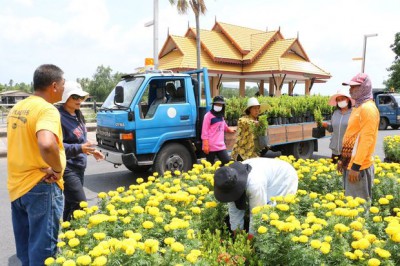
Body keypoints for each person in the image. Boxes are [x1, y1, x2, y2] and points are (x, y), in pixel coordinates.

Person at [7, 64, 66, 265]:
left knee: (26, 252)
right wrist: (57, 169)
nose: (64, 88)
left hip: (18, 187)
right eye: (63, 84)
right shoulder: (46, 109)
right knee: (43, 254)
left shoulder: (17, 107)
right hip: (41, 185)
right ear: (54, 86)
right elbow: (46, 143)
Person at [58, 81, 104, 221]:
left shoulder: (78, 114)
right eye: (75, 97)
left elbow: (80, 141)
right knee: (81, 205)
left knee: (71, 205)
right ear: (65, 98)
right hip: (67, 168)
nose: (79, 100)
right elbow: (56, 146)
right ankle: (77, 238)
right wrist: (80, 148)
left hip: (79, 166)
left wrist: (90, 150)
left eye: (81, 97)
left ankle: (67, 239)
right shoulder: (58, 117)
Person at [213, 158, 298, 234]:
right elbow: (234, 209)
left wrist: (249, 244)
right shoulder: (229, 180)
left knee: (273, 212)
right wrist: (237, 236)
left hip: (283, 176)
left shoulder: (254, 184)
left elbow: (257, 214)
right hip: (265, 175)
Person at [338, 73, 379, 201]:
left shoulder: (368, 109)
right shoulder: (359, 107)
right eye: (350, 87)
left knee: (358, 209)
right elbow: (352, 135)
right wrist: (342, 159)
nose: (350, 90)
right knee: (350, 205)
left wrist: (356, 167)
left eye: (354, 87)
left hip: (358, 167)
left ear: (364, 88)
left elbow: (366, 140)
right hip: (350, 164)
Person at [322, 88, 355, 163]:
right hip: (335, 149)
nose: (340, 101)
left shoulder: (354, 113)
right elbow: (331, 129)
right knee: (333, 172)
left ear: (348, 99)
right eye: (338, 100)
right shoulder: (336, 113)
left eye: (342, 99)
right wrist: (326, 125)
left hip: (348, 150)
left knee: (345, 172)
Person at [201, 96, 236, 165]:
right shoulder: (208, 116)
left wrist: (229, 130)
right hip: (210, 146)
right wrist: (205, 143)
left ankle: (221, 174)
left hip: (220, 145)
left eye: (220, 105)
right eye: (217, 104)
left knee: (226, 161)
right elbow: (204, 131)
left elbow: (224, 125)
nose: (218, 106)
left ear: (223, 106)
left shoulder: (221, 116)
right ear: (213, 105)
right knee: (209, 165)